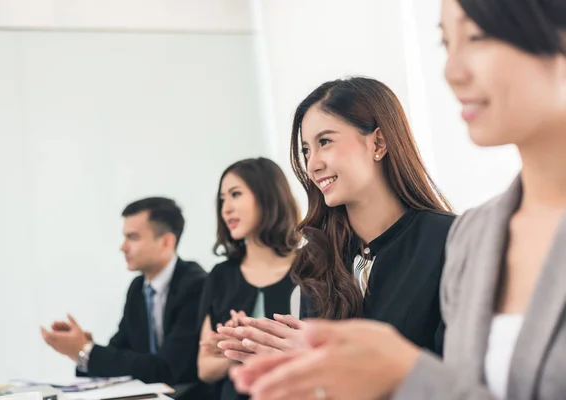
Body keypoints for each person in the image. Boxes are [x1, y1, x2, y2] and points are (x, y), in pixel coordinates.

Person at [228, 0, 566, 399]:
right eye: (444, 43)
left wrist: (398, 371)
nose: (451, 72)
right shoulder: (478, 234)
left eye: (477, 36)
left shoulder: (448, 238)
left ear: (379, 143)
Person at [218, 76, 455, 363]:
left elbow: (456, 380)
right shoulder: (316, 260)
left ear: (378, 143)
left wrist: (329, 362)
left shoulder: (450, 241)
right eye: (306, 150)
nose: (313, 164)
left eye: (325, 142)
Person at [41, 197, 207, 386]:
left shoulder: (197, 286)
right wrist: (84, 348)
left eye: (133, 237)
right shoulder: (138, 288)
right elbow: (119, 349)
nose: (123, 247)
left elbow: (168, 368)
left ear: (166, 242)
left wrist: (87, 351)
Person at [197, 157, 301, 400]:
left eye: (235, 194)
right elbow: (205, 369)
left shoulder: (311, 269)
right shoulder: (220, 276)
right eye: (222, 199)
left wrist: (249, 342)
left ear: (267, 196)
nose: (226, 208)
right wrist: (237, 347)